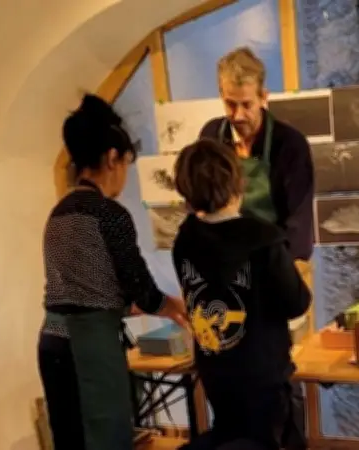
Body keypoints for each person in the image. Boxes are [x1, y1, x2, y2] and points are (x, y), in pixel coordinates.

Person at [38, 94, 189, 450]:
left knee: (71, 441)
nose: (125, 175)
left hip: (52, 343)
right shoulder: (109, 214)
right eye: (126, 163)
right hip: (90, 347)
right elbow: (142, 289)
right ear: (111, 159)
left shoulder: (57, 214)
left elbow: (82, 288)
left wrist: (129, 306)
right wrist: (174, 307)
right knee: (105, 440)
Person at [171, 138, 312, 450]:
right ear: (237, 181)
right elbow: (296, 302)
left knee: (230, 436)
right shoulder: (264, 239)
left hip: (215, 366)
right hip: (262, 372)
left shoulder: (185, 240)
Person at [198, 46, 314, 262]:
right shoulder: (211, 137)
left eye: (246, 104)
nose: (238, 115)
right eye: (230, 104)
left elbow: (300, 224)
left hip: (277, 261)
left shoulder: (290, 144)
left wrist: (281, 274)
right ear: (221, 96)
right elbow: (200, 203)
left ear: (263, 97)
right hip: (225, 260)